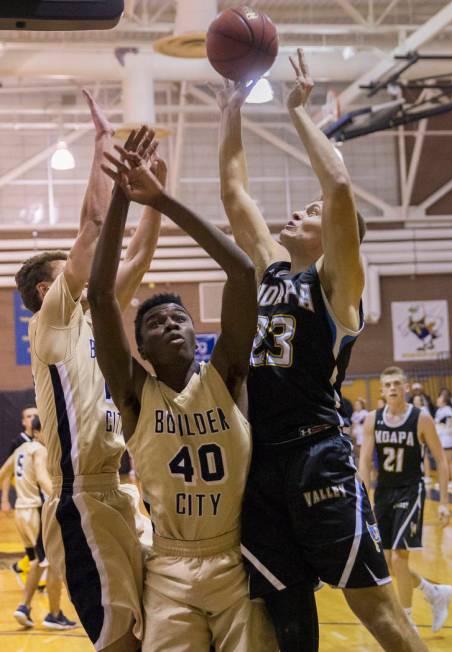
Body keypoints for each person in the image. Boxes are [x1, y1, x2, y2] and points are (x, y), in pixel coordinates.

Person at [217, 48, 426, 652]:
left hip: (317, 454)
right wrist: (230, 108)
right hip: (262, 463)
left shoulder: (337, 287)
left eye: (311, 214)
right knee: (286, 614)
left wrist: (297, 112)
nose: (300, 212)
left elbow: (336, 184)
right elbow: (235, 195)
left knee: (377, 610)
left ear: (337, 238)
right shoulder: (273, 271)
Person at [88, 144, 278, 652]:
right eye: (154, 323)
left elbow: (242, 273)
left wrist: (163, 200)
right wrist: (125, 200)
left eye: (179, 318)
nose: (169, 324)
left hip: (235, 557)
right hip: (169, 564)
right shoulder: (134, 395)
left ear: (199, 337)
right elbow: (101, 295)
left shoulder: (227, 377)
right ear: (142, 350)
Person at [15, 93, 163, 652]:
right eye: (71, 270)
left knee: (152, 626)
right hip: (80, 498)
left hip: (120, 492)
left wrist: (155, 197)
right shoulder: (51, 323)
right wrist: (104, 144)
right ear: (46, 290)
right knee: (118, 639)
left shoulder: (92, 314)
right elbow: (96, 223)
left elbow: (140, 257)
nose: (87, 270)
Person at [359, 366, 452, 633]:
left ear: (406, 387)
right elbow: (364, 462)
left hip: (411, 490)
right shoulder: (372, 419)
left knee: (400, 558)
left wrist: (444, 502)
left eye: (396, 384)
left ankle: (406, 622)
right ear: (381, 390)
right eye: (387, 384)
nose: (392, 388)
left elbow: (442, 462)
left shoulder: (421, 418)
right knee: (388, 561)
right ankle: (433, 592)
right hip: (385, 492)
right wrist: (365, 499)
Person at [0, 415, 77, 630]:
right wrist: (65, 501)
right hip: (35, 510)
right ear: (40, 431)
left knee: (36, 560)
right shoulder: (40, 450)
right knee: (52, 562)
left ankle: (24, 607)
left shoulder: (20, 450)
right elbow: (43, 478)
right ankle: (54, 615)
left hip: (20, 512)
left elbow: (2, 474)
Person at [1, 404, 39, 512]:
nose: (32, 418)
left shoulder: (46, 439)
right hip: (26, 499)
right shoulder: (18, 442)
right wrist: (4, 500)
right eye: (29, 416)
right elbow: (7, 472)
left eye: (35, 415)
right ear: (23, 422)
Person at [434, 392, 452, 489]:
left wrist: (443, 426)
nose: (437, 400)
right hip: (442, 438)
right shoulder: (440, 410)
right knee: (445, 460)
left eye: (440, 399)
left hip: (447, 438)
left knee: (450, 460)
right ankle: (447, 480)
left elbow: (449, 420)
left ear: (444, 402)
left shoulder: (447, 410)